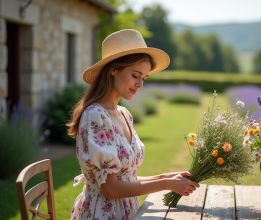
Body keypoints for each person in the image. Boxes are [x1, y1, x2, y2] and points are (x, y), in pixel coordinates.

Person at [66, 29, 200, 220]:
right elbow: (111, 189)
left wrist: (166, 178)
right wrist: (166, 185)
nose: (140, 84)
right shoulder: (95, 115)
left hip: (128, 210)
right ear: (113, 69)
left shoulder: (124, 114)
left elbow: (125, 178)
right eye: (135, 75)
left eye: (144, 78)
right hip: (104, 213)